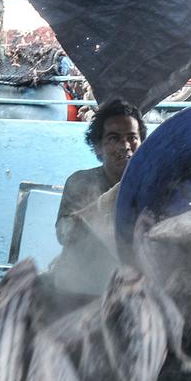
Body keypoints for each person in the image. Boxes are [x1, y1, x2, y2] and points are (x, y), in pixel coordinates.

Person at [51, 99, 147, 295]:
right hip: (79, 289)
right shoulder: (81, 182)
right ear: (97, 147)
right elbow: (64, 234)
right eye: (114, 138)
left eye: (132, 137)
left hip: (130, 291)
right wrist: (105, 204)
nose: (125, 146)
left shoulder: (149, 186)